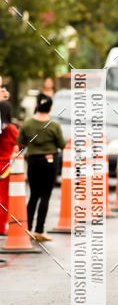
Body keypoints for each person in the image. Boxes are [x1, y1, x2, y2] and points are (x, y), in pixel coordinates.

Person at [17, 95, 65, 242]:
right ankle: (39, 230)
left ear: (37, 106)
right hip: (50, 161)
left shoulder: (27, 123)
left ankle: (27, 229)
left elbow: (21, 142)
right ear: (50, 108)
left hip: (33, 161)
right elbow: (62, 144)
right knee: (45, 196)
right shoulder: (54, 125)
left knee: (33, 195)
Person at [0, 101, 18, 236]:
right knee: (3, 199)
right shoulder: (11, 129)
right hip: (5, 167)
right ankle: (1, 227)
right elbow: (21, 142)